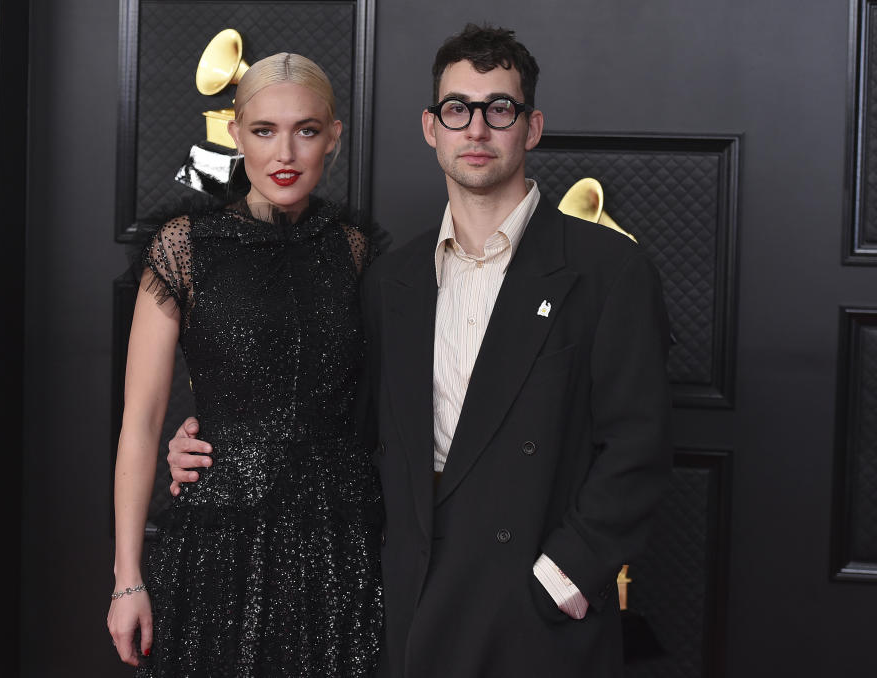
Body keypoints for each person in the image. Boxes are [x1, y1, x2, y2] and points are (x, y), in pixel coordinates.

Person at [169, 24, 672, 678]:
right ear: (433, 128)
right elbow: (343, 429)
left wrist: (567, 574)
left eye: (501, 109)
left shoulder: (609, 269)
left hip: (535, 610)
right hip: (408, 601)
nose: (478, 129)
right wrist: (222, 441)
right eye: (458, 109)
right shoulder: (389, 280)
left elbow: (641, 443)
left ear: (533, 127)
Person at [107, 52, 383, 677]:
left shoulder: (355, 251)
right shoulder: (184, 246)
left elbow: (381, 407)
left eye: (306, 130)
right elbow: (141, 424)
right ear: (235, 133)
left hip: (340, 544)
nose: (284, 152)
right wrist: (128, 579)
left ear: (333, 138)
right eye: (264, 131)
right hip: (219, 544)